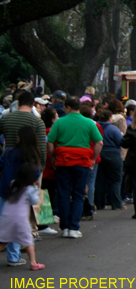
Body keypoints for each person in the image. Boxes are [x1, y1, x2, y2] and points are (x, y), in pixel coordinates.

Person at [47, 96, 103, 239]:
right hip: (82, 161)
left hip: (63, 161)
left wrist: (54, 156)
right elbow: (99, 143)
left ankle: (64, 226)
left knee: (63, 193)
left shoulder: (60, 122)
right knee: (78, 194)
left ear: (68, 107)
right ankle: (73, 227)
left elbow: (50, 141)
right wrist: (92, 159)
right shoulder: (89, 123)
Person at [0, 125, 43, 266]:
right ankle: (14, 256)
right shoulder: (33, 156)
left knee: (5, 225)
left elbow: (1, 166)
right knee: (17, 226)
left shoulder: (8, 152)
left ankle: (12, 255)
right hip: (23, 196)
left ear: (19, 137)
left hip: (5, 190)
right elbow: (36, 174)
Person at [0, 163, 44, 270]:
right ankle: (33, 263)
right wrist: (36, 189)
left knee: (3, 241)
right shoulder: (30, 189)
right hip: (20, 220)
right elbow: (34, 201)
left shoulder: (12, 183)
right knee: (28, 241)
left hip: (5, 217)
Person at [95, 110, 124, 210]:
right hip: (113, 154)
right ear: (110, 118)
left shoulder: (96, 127)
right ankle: (116, 203)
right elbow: (121, 141)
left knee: (100, 180)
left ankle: (99, 203)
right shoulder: (113, 129)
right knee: (115, 180)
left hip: (99, 153)